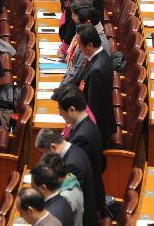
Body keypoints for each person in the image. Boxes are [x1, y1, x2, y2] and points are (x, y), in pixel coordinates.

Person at [54, 86, 104, 214]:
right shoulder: (85, 125)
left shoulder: (82, 137)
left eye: (61, 110)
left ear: (72, 110)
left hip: (85, 203)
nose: (59, 114)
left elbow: (74, 178)